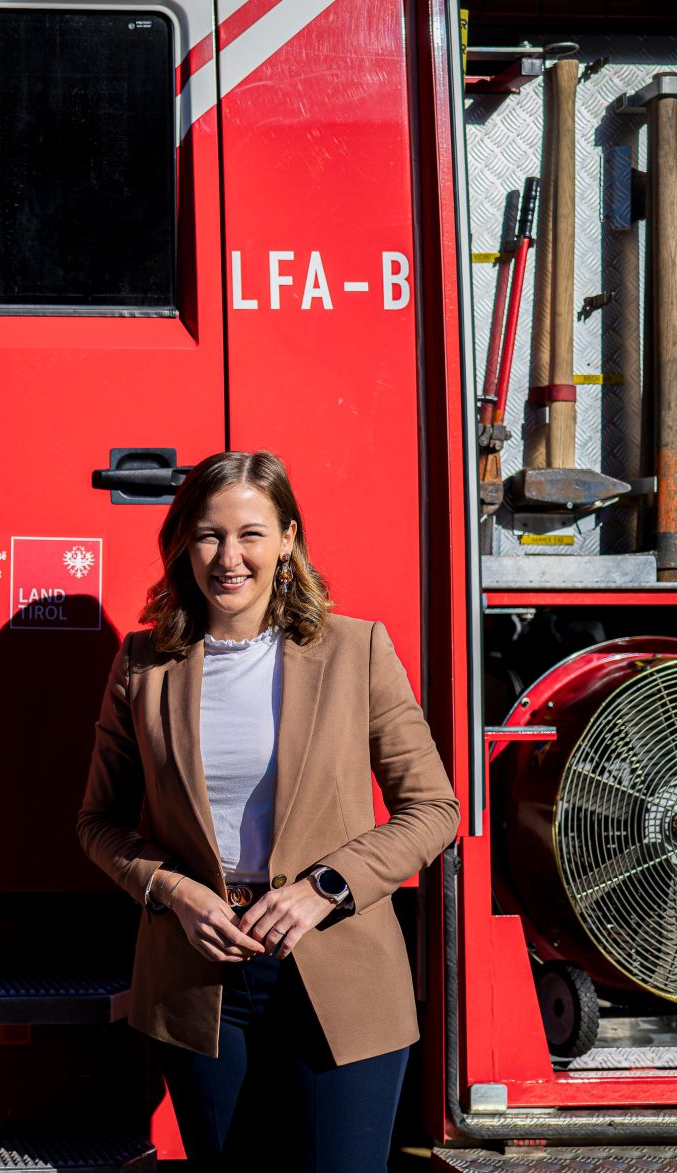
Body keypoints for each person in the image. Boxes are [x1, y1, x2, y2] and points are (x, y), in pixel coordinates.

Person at [76, 450, 459, 1172]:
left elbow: (433, 807)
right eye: (208, 534)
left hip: (342, 974)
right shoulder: (141, 664)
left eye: (250, 533)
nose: (228, 557)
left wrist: (327, 887)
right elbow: (98, 821)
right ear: (182, 542)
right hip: (201, 974)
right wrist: (174, 891)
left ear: (288, 538)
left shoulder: (355, 649)